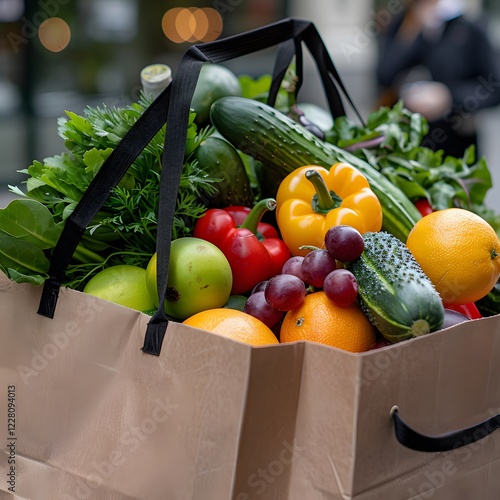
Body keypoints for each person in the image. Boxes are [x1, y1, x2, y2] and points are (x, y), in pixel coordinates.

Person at [375, 0, 500, 158]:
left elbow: (493, 87)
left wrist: (449, 97)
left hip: (455, 146)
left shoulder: (470, 28)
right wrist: (417, 33)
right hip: (407, 146)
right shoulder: (403, 23)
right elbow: (384, 76)